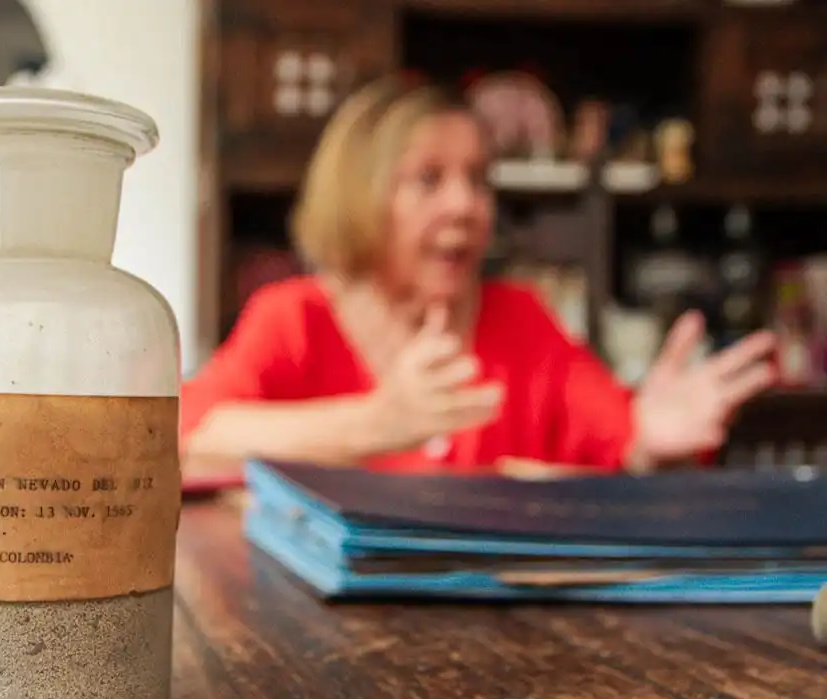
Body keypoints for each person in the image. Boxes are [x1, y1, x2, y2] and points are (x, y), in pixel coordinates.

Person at [180, 76, 777, 475]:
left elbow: (620, 432)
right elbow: (184, 436)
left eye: (478, 179)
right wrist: (376, 422)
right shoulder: (294, 318)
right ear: (357, 197)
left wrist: (647, 433)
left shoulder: (520, 316)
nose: (467, 206)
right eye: (429, 179)